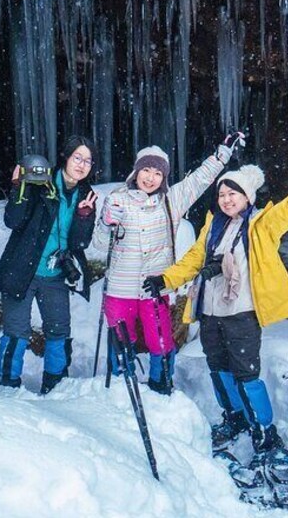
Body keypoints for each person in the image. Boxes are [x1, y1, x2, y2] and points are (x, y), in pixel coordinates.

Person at [143, 165, 288, 459]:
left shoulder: (259, 225)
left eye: (233, 193)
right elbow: (193, 260)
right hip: (210, 312)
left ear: (247, 196)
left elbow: (284, 212)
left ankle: (264, 430)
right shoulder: (213, 225)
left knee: (246, 372)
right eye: (222, 194)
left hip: (242, 313)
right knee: (218, 367)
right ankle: (235, 416)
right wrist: (164, 280)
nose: (227, 199)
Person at [94, 137, 241, 395]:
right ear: (137, 171)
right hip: (120, 286)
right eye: (147, 170)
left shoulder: (172, 200)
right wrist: (106, 223)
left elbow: (199, 179)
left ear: (164, 177)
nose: (151, 178)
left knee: (160, 340)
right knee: (120, 339)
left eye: (158, 172)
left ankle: (161, 384)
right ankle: (119, 387)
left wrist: (222, 155)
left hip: (154, 286)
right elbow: (98, 243)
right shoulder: (117, 199)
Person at [0, 136, 98, 394]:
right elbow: (13, 221)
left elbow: (79, 243)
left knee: (59, 330)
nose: (82, 165)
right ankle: (7, 385)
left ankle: (55, 385)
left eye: (88, 161)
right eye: (77, 158)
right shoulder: (41, 181)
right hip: (22, 270)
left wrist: (83, 217)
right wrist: (19, 187)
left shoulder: (86, 195)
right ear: (66, 157)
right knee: (16, 331)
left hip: (55, 273)